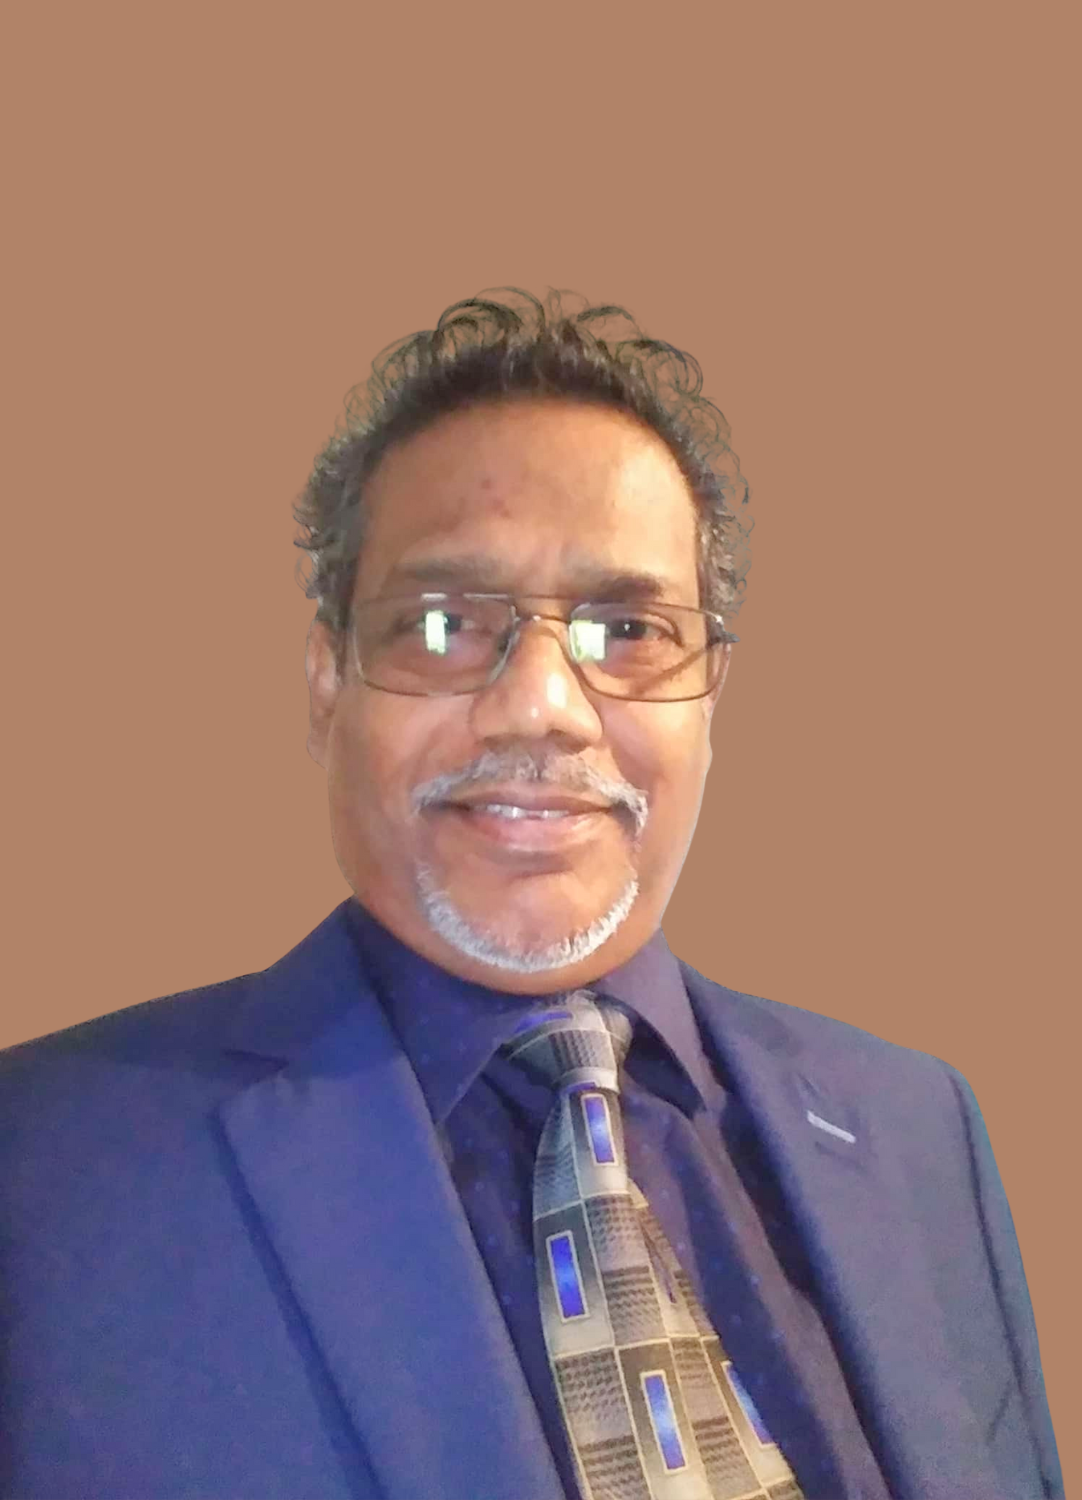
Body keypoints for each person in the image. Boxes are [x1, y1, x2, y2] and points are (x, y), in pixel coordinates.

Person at [0, 287, 1062, 1500]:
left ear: (708, 699)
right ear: (326, 684)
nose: (541, 706)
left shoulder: (919, 1128)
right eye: (442, 623)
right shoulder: (42, 1169)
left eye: (629, 629)